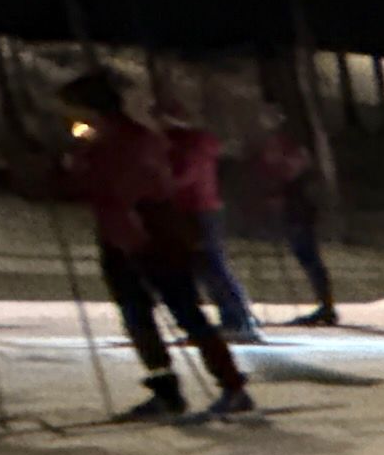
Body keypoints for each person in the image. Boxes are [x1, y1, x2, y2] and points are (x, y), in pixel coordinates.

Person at [56, 68, 253, 421]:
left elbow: (128, 188)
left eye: (76, 109)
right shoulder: (105, 141)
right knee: (138, 316)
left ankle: (231, 386)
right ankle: (167, 390)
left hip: (151, 237)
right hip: (122, 237)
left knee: (182, 312)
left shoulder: (126, 141)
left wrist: (83, 174)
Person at [165, 104, 265, 340]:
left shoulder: (192, 143)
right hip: (190, 210)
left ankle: (238, 319)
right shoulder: (180, 142)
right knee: (203, 266)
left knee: (210, 265)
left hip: (197, 210)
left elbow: (182, 175)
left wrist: (158, 182)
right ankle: (235, 316)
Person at [247, 113, 341, 327]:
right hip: (293, 208)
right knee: (306, 256)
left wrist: (277, 185)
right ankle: (325, 305)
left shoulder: (290, 148)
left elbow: (292, 173)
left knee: (308, 256)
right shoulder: (276, 146)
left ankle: (326, 306)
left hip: (298, 209)